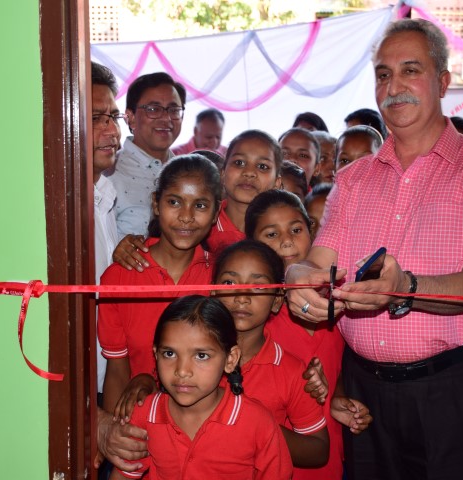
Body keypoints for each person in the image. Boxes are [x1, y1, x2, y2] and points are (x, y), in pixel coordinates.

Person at [285, 18, 463, 480]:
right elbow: (317, 264)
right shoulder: (353, 179)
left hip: (454, 391)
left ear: (443, 81)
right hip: (364, 394)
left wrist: (405, 288)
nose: (395, 86)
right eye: (383, 74)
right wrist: (298, 281)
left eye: (411, 70)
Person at [245, 190, 372, 480]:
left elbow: (337, 365)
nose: (287, 241)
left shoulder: (338, 300)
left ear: (312, 233)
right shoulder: (256, 310)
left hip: (327, 447)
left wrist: (338, 399)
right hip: (274, 452)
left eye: (296, 229)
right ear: (253, 244)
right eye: (271, 234)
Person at [108, 295, 293, 479]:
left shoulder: (257, 423)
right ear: (156, 354)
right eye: (170, 353)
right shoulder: (144, 413)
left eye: (201, 356)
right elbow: (123, 475)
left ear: (230, 359)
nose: (182, 371)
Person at [98, 155, 221, 424]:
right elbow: (117, 369)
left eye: (200, 205)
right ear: (155, 203)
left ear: (215, 213)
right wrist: (113, 436)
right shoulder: (118, 278)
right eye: (174, 202)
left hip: (206, 425)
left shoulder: (221, 278)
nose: (186, 217)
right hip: (140, 423)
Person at [212, 240, 331, 472]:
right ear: (213, 291)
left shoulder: (291, 371)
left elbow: (318, 450)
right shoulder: (194, 357)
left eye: (258, 287)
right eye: (229, 282)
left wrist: (259, 425)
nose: (242, 296)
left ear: (277, 301)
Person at [110, 129, 282, 268]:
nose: (249, 173)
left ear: (277, 182)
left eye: (262, 166)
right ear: (222, 173)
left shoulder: (282, 229)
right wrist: (128, 248)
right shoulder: (198, 221)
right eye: (239, 163)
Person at [111, 72, 186, 239]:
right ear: (130, 118)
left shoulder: (187, 173)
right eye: (153, 109)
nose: (166, 119)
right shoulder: (109, 174)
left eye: (174, 110)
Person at [91, 61, 124, 408]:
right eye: (98, 118)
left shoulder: (104, 194)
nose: (112, 131)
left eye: (114, 118)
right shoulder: (60, 209)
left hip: (107, 379)